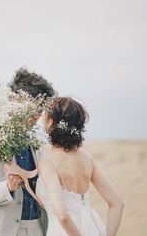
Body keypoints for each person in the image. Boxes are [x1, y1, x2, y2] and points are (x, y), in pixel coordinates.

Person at [0, 67, 56, 236]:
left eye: (40, 111)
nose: (36, 116)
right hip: (4, 230)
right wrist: (7, 187)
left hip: (39, 227)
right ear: (14, 100)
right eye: (32, 108)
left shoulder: (36, 142)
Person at [36, 97, 124, 236]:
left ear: (51, 122)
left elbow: (63, 216)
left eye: (45, 116)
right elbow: (117, 204)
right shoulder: (87, 157)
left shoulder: (48, 161)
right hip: (92, 229)